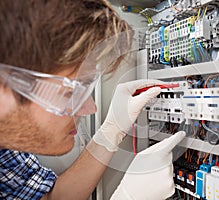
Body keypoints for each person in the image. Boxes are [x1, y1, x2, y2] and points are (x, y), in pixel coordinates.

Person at [0, 0, 186, 199]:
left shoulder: (7, 148)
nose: (91, 108)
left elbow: (52, 198)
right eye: (69, 94)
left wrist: (112, 129)